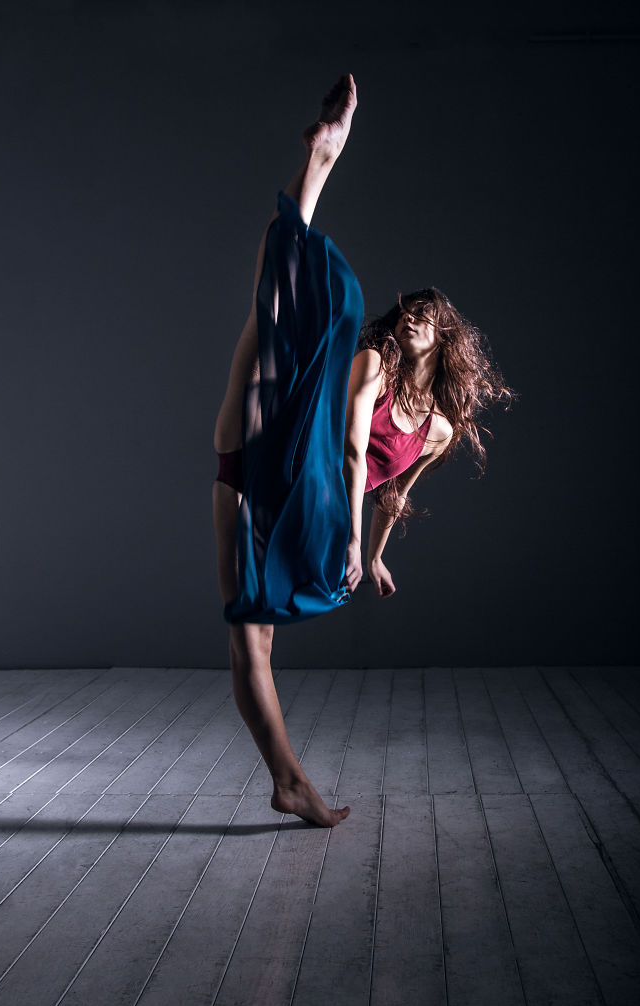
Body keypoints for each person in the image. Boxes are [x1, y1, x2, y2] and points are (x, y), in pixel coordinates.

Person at [212, 75, 512, 826]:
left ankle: (286, 780)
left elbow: (393, 489)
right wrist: (349, 538)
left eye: (426, 316)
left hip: (288, 499)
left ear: (445, 338)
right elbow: (349, 452)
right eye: (407, 309)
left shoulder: (437, 427)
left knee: (258, 644)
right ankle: (320, 160)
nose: (411, 317)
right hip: (289, 465)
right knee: (274, 312)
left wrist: (373, 552)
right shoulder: (371, 364)